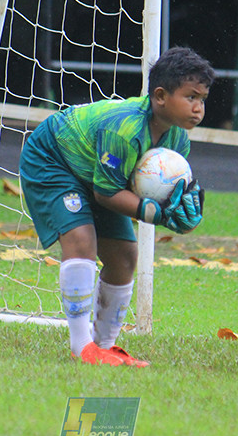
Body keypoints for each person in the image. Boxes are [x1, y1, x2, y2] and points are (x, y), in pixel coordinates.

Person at [19, 47, 215, 367]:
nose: (198, 108)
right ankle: (82, 346)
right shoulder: (124, 128)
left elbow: (152, 195)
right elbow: (107, 194)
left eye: (203, 99)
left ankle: (105, 346)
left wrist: (180, 215)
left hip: (100, 179)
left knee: (125, 256)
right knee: (82, 241)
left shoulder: (178, 141)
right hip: (54, 160)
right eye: (191, 97)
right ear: (161, 96)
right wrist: (158, 215)